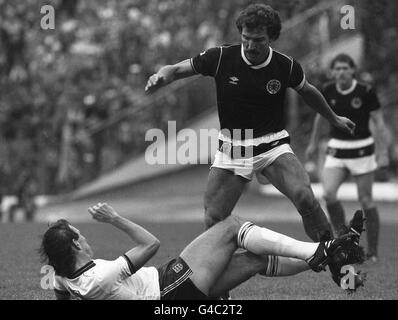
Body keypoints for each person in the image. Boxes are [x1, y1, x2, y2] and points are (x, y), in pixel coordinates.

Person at [145, 4, 355, 244]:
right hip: (235, 146)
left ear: (272, 37)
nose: (251, 45)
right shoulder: (221, 57)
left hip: (272, 144)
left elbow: (308, 92)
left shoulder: (285, 66)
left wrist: (334, 118)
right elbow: (175, 69)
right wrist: (161, 76)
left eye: (258, 40)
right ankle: (215, 270)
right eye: (246, 38)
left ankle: (332, 252)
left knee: (305, 196)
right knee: (214, 218)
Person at [39, 203, 364, 300]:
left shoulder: (65, 276)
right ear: (75, 245)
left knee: (254, 260)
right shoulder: (101, 276)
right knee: (231, 227)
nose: (86, 238)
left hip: (172, 293)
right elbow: (151, 244)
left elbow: (60, 289)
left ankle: (328, 259)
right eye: (80, 235)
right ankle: (323, 249)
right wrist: (115, 218)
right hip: (169, 290)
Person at [306, 53, 389, 262]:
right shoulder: (327, 90)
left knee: (366, 199)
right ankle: (343, 242)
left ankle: (373, 252)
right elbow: (320, 118)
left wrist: (382, 151)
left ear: (353, 70)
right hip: (337, 149)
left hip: (362, 149)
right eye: (337, 68)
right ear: (332, 72)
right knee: (329, 194)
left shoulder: (366, 91)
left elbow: (378, 121)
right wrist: (314, 143)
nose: (341, 72)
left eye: (345, 68)